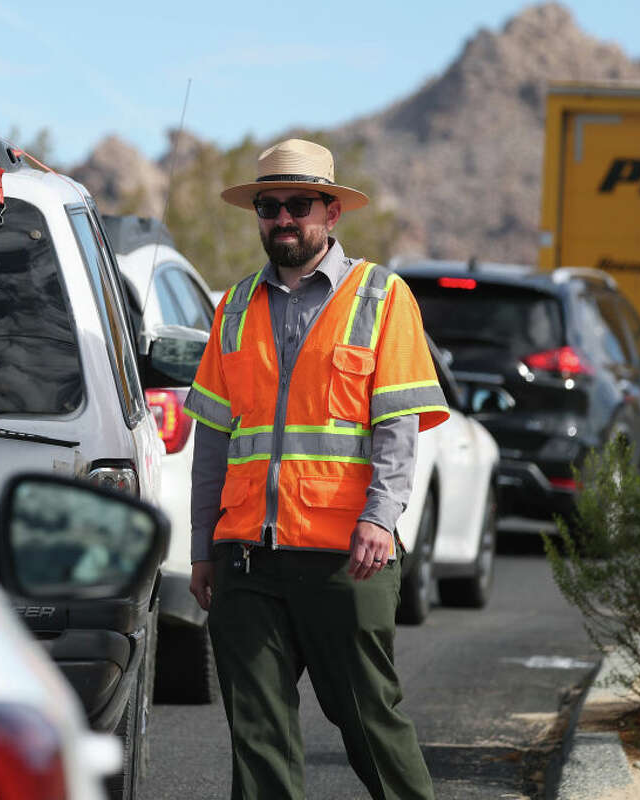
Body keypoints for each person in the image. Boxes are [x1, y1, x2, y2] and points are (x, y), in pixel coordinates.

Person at [182, 138, 449, 799]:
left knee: (370, 725)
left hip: (344, 560)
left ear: (332, 212)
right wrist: (201, 547)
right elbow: (213, 440)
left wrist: (380, 520)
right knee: (258, 739)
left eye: (297, 205)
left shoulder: (382, 298)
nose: (281, 219)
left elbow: (398, 428)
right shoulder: (235, 306)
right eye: (268, 206)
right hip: (246, 559)